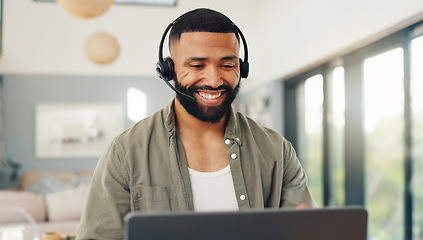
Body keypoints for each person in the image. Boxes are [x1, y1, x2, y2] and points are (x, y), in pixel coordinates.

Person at [76, 8, 317, 240]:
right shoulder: (125, 153)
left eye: (227, 64)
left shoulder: (277, 150)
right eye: (196, 65)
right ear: (168, 69)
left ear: (241, 68)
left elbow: (306, 231)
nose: (213, 80)